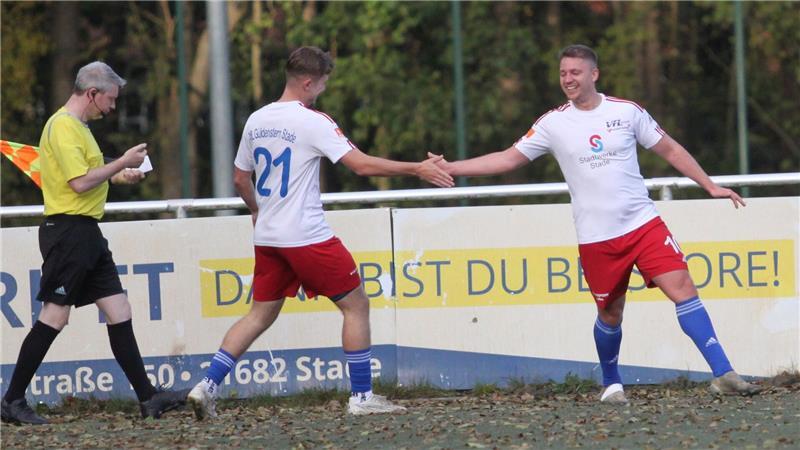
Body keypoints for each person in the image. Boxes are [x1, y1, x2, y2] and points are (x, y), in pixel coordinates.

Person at [430, 44, 761, 403]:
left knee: (682, 287)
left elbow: (671, 149)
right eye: (563, 73)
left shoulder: (627, 112)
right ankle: (612, 383)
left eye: (575, 72)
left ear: (594, 74)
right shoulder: (553, 123)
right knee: (610, 312)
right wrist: (452, 167)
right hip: (597, 237)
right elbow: (508, 159)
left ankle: (723, 372)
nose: (568, 79)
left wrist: (709, 185)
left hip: (643, 224)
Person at [187, 46, 453, 419]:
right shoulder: (312, 121)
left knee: (259, 315)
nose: (323, 91)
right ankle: (362, 398)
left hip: (269, 238)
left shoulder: (257, 120)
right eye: (323, 83)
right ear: (308, 82)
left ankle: (206, 386)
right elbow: (359, 165)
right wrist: (417, 169)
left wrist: (256, 212)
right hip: (306, 236)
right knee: (356, 305)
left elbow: (239, 177)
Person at [1, 62, 189, 425]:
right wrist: (120, 161)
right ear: (91, 93)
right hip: (68, 232)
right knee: (54, 317)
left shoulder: (79, 128)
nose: (113, 107)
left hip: (86, 233)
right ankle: (11, 400)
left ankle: (148, 397)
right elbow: (79, 183)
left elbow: (92, 172)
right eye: (110, 99)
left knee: (120, 309)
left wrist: (121, 174)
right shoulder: (62, 126)